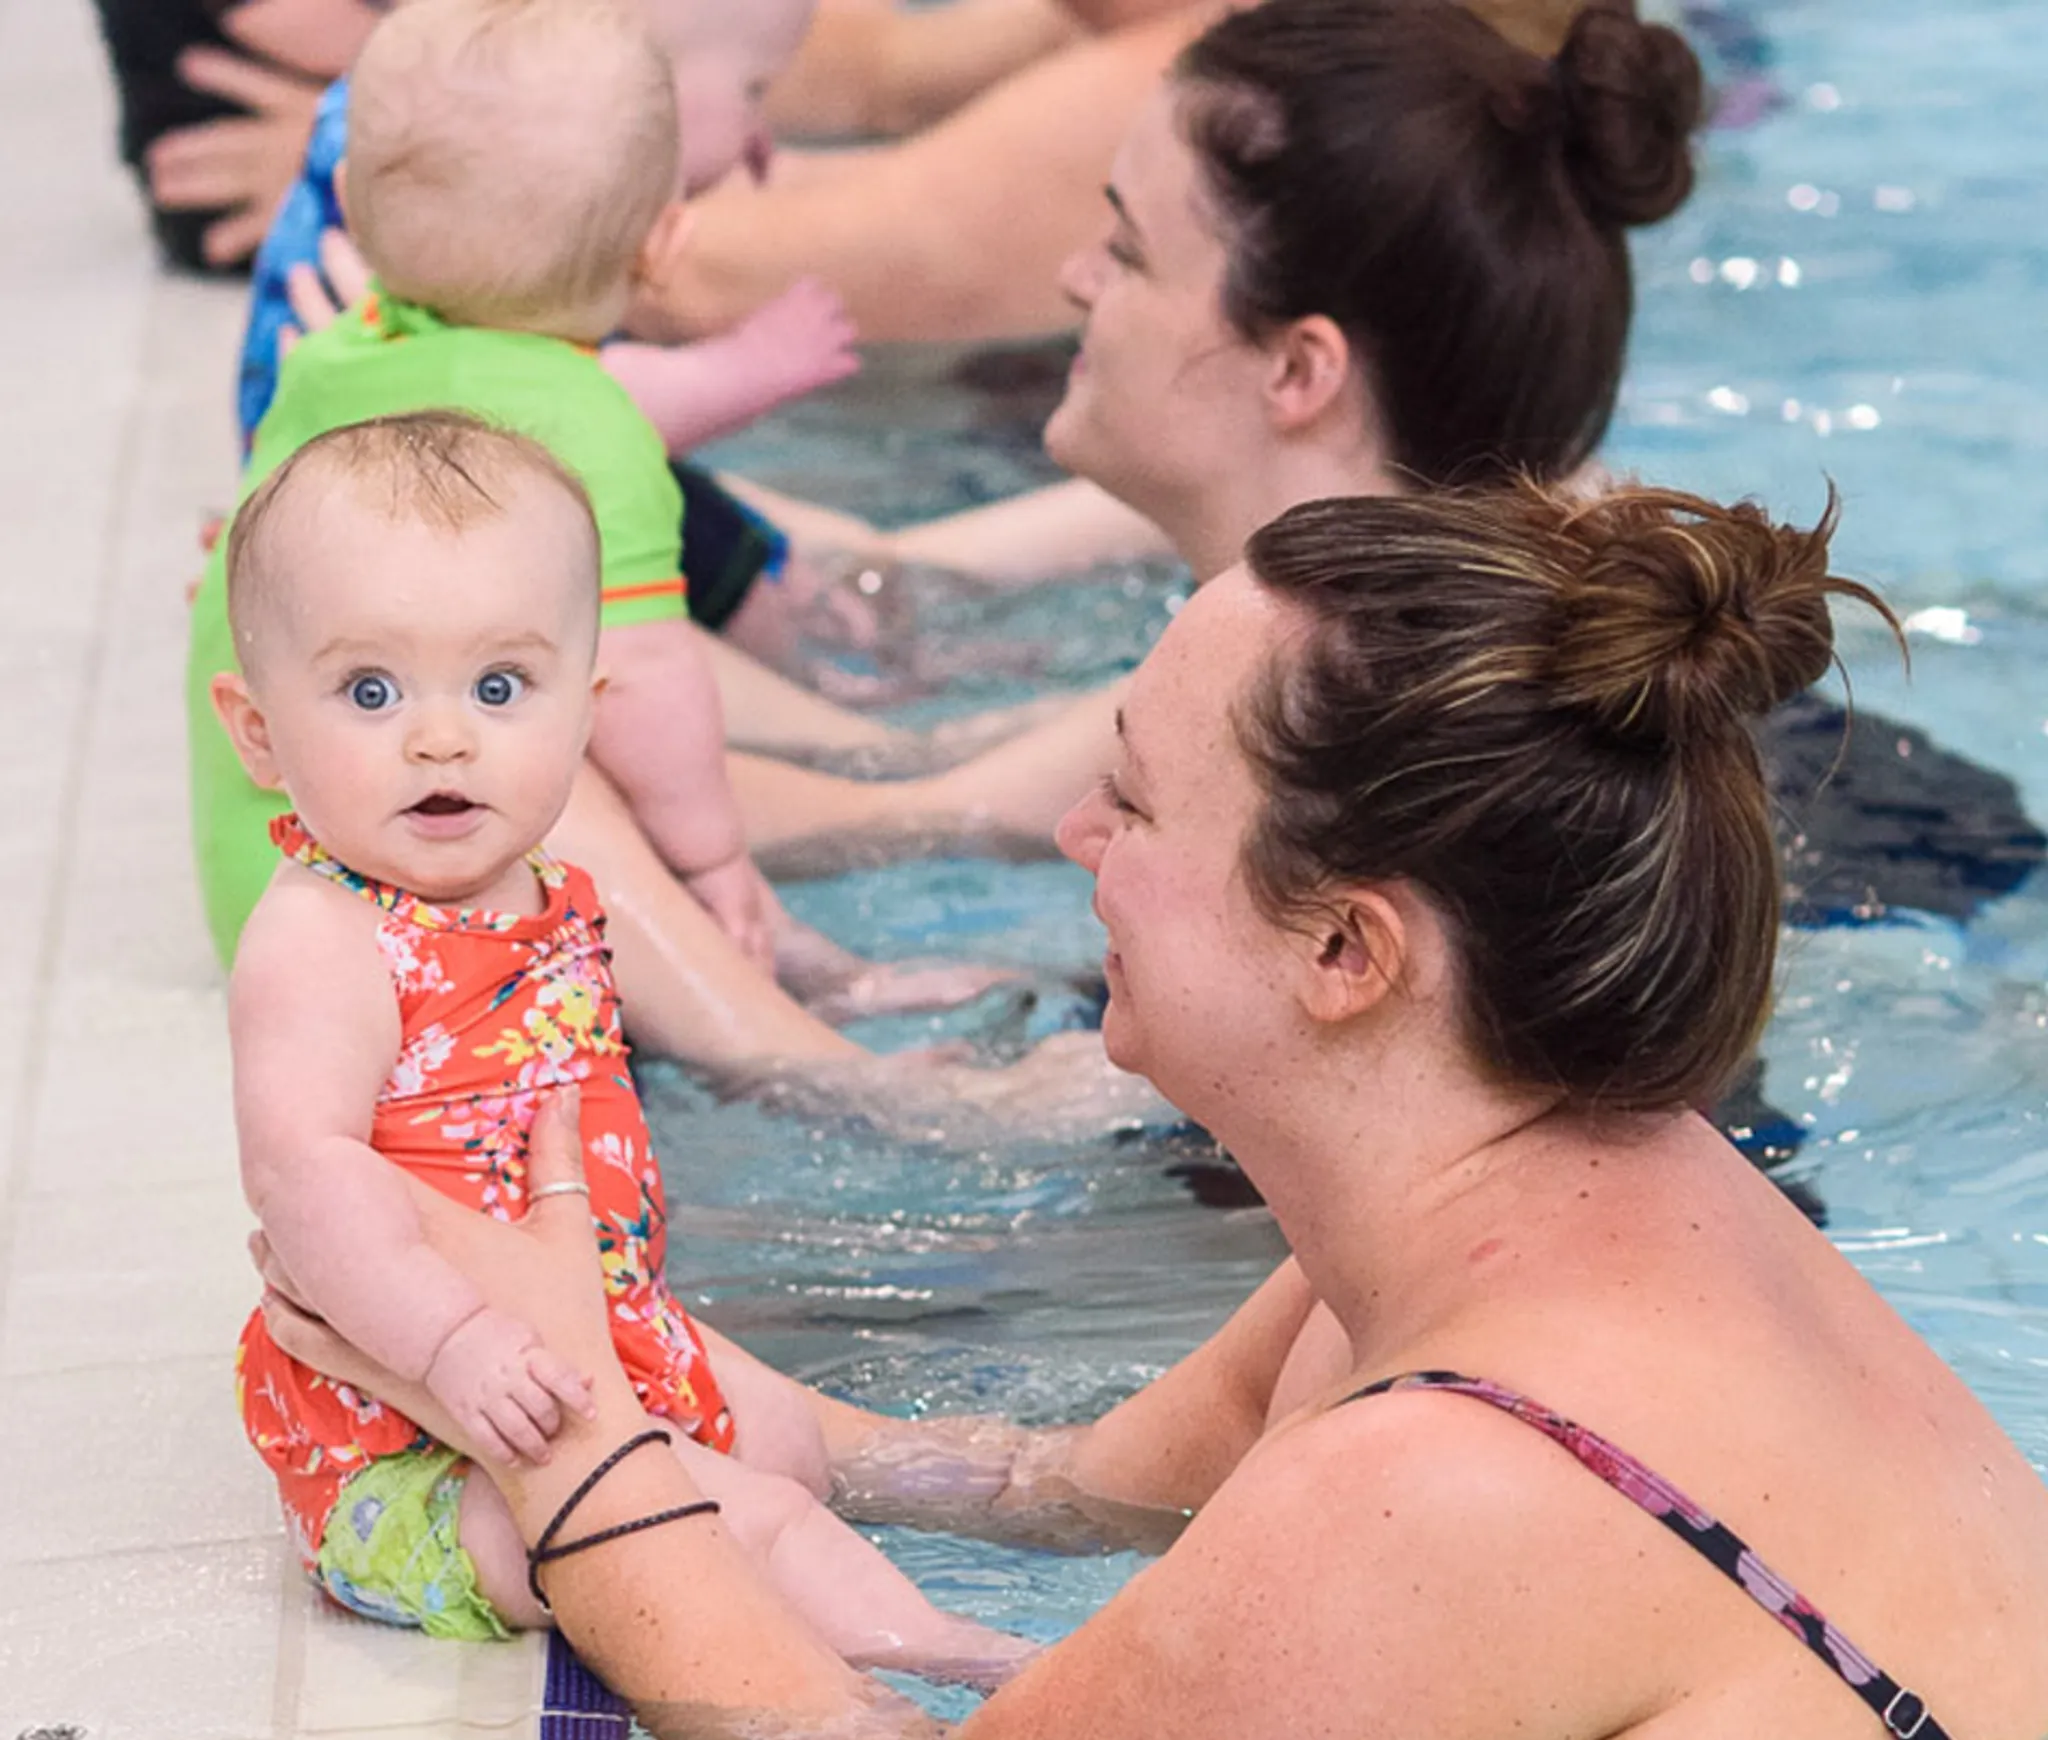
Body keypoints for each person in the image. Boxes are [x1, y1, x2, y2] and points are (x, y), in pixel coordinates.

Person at [268, 479, 2048, 1737]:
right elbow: (1045, 1492)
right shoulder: (1572, 1204)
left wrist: (563, 1451)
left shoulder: (1444, 1482)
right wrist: (581, 1337)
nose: (1073, 845)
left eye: (1128, 803)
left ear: (1345, 948)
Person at [218, 409, 1031, 1683]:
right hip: (417, 1449)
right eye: (369, 691)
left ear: (581, 712)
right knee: (750, 1521)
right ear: (257, 732)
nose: (441, 737)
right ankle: (974, 1666)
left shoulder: (544, 882)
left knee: (787, 1444)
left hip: (588, 1343)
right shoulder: (322, 940)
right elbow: (306, 1180)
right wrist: (451, 1348)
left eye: (499, 688)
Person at [719, 0, 1708, 865]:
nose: (1076, 281)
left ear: (1295, 370)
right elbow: (883, 595)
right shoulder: (1404, 597)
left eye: (1126, 251)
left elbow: (911, 811)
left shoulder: (1316, 708)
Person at [186, 0, 1002, 1022]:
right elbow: (650, 688)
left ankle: (835, 908)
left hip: (268, 882)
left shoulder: (330, 350)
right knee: (583, 736)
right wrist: (714, 865)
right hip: (401, 920)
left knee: (521, 697)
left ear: (347, 197)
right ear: (661, 245)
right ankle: (787, 1041)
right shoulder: (588, 419)